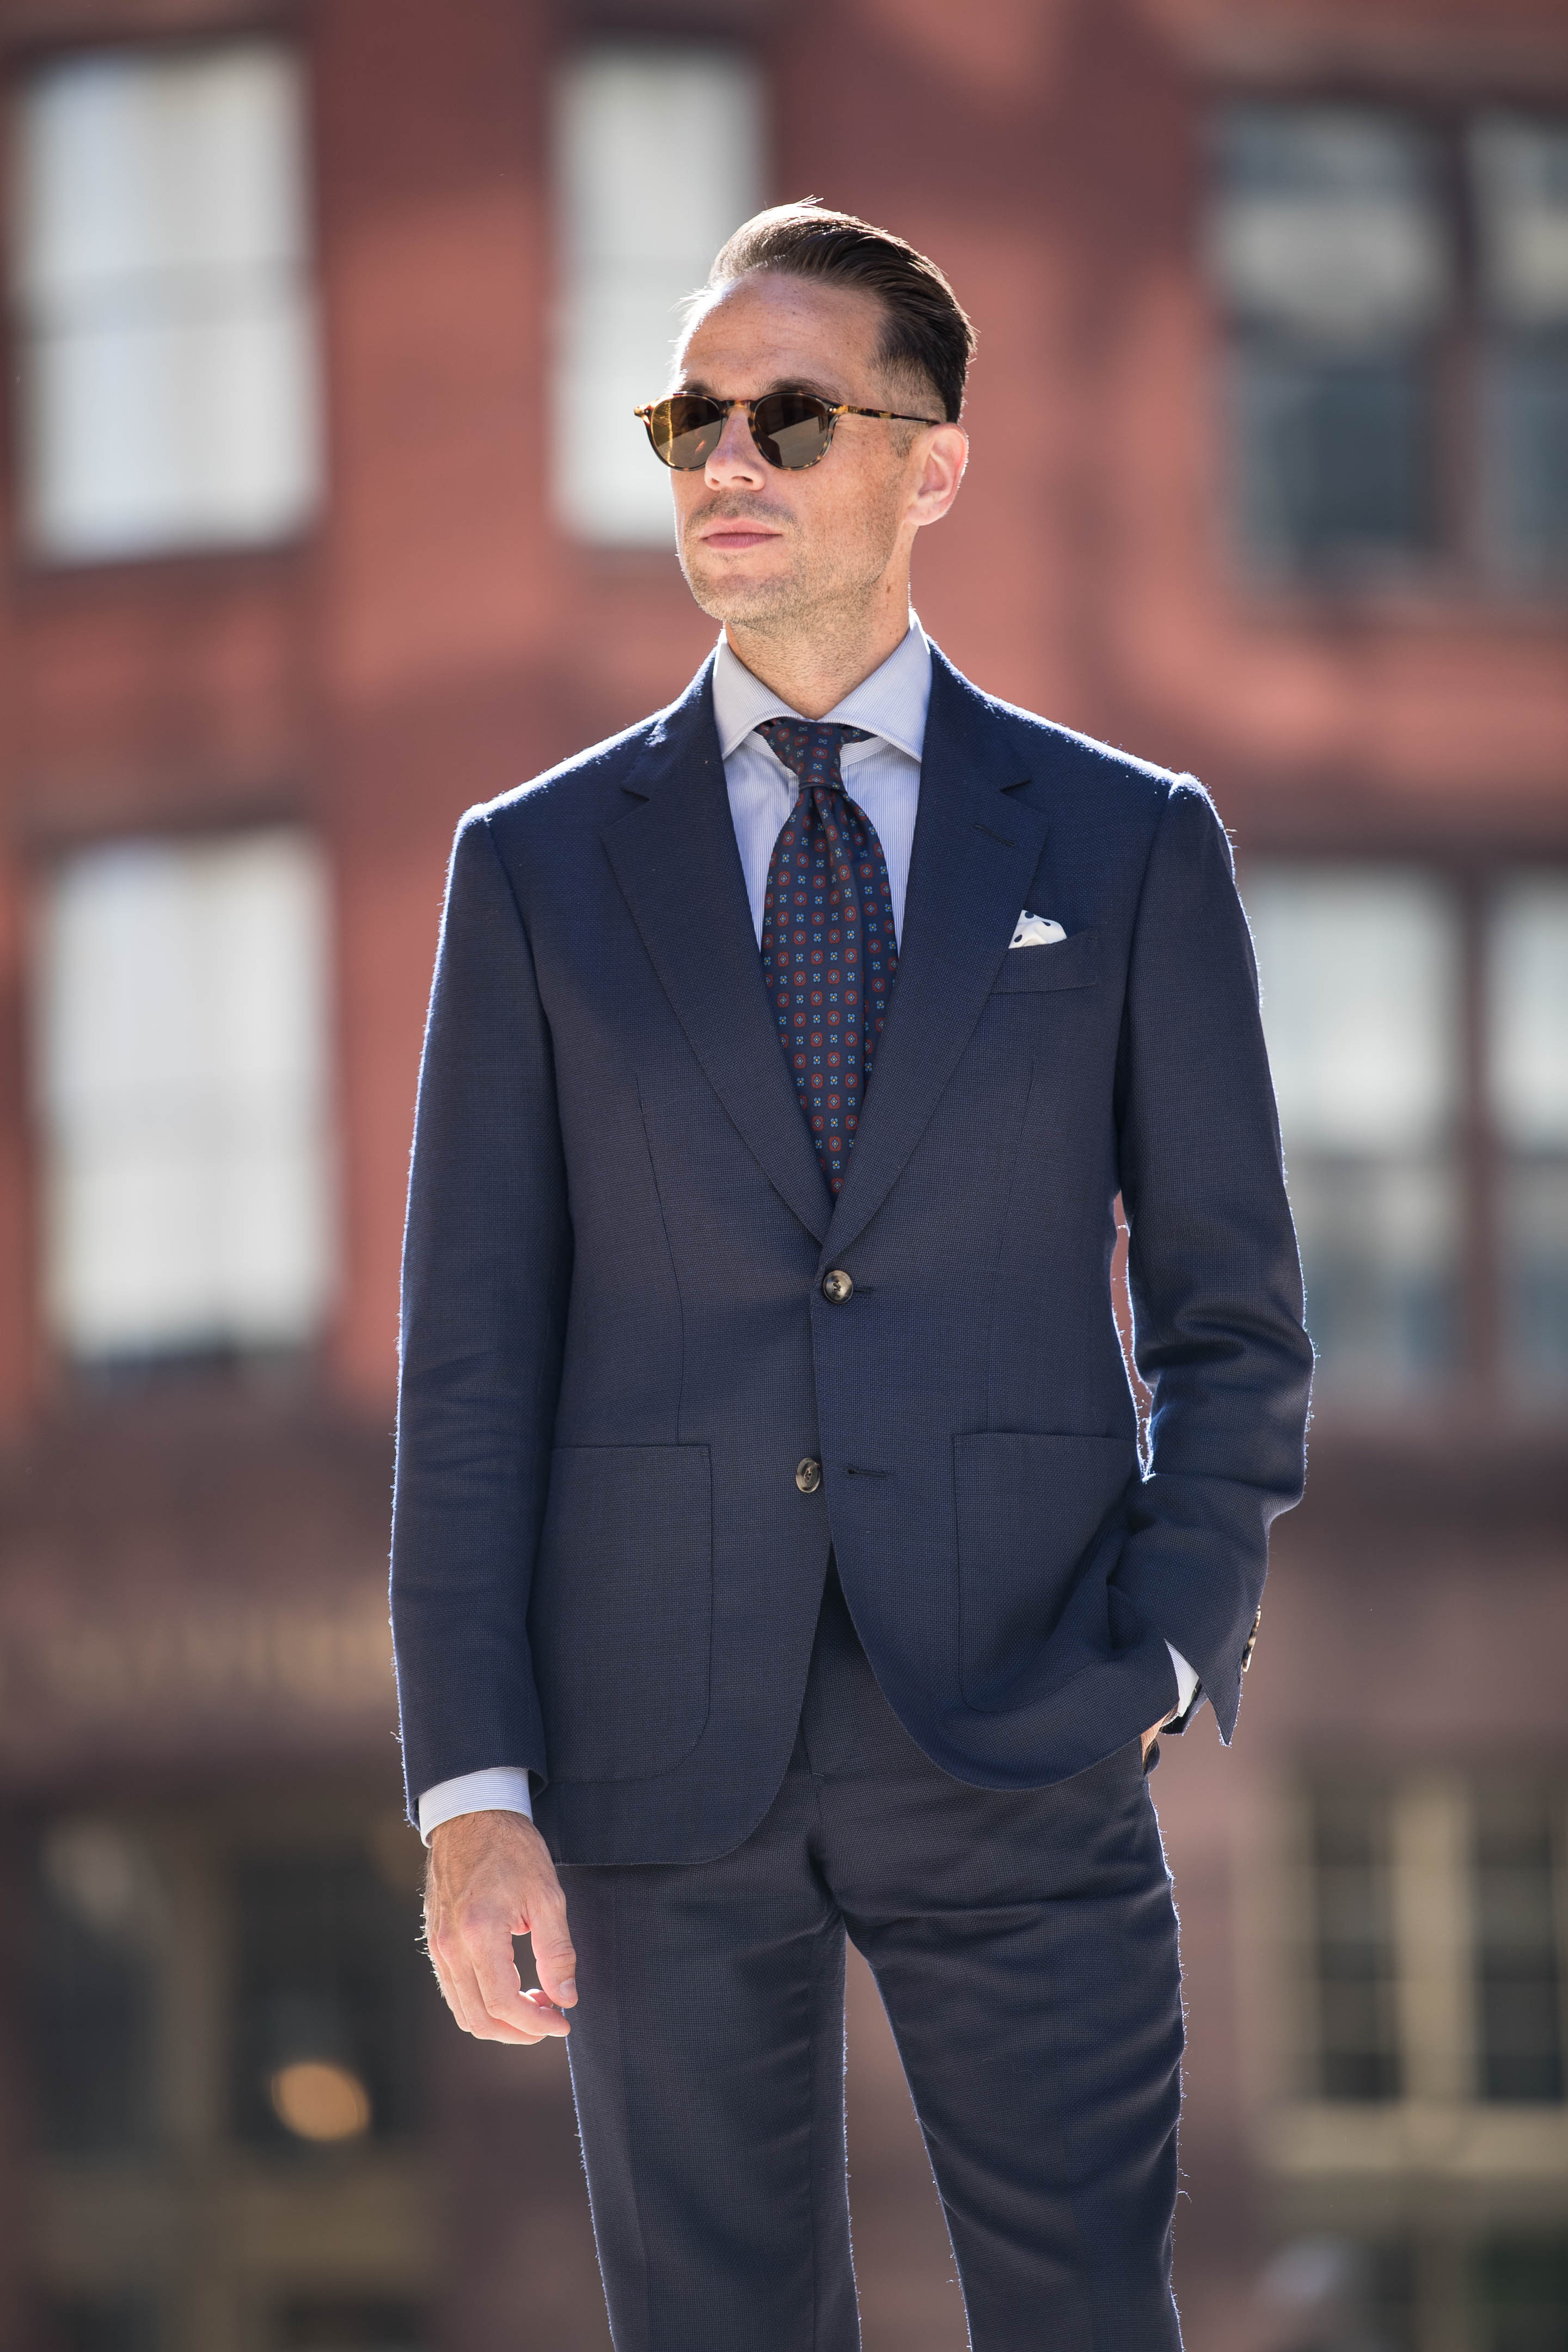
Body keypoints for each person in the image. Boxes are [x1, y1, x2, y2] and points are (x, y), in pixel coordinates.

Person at [391, 203, 1312, 2351]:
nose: (724, 460)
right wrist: (474, 1799)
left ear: (932, 463)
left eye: (788, 416)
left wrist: (1164, 1651)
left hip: (1028, 1713)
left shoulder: (1124, 841)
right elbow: (473, 1369)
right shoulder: (530, 868)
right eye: (688, 419)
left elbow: (1233, 1318)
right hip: (647, 1751)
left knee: (1086, 2313)